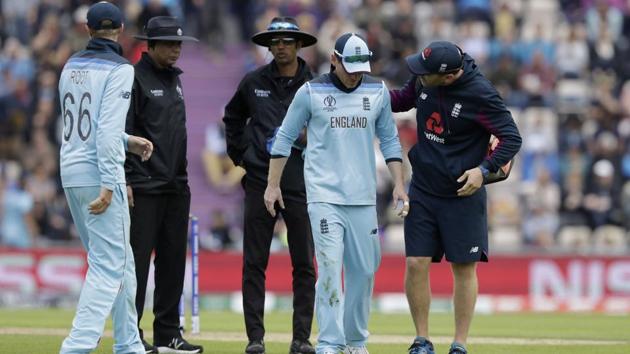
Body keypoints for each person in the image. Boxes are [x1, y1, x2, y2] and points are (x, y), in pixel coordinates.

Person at [265, 32, 409, 354]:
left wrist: (399, 184)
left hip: (363, 197)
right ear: (334, 59)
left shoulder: (377, 91)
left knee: (365, 270)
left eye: (362, 67)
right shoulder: (310, 93)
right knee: (329, 267)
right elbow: (284, 137)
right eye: (350, 66)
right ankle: (330, 343)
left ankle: (355, 341)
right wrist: (273, 185)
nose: (356, 73)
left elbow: (389, 140)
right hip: (324, 195)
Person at [389, 41, 522, 354]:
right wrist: (366, 96)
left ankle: (459, 344)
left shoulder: (481, 94)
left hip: (463, 191)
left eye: (425, 73)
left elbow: (511, 137)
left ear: (448, 77)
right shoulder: (426, 77)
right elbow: (401, 100)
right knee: (416, 263)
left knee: (463, 268)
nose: (417, 75)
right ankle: (421, 341)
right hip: (423, 187)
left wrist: (483, 169)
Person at [58, 2, 153, 353]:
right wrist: (112, 182)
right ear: (122, 30)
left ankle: (129, 344)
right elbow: (108, 131)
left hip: (71, 172)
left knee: (120, 262)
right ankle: (77, 346)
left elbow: (86, 129)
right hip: (100, 172)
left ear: (87, 29)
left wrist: (129, 142)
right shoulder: (120, 69)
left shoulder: (70, 65)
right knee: (108, 265)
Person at [223, 16, 318, 354]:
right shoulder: (252, 82)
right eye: (274, 41)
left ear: (299, 44)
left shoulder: (316, 85)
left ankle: (302, 339)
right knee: (254, 262)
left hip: (301, 181)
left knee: (304, 262)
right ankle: (255, 339)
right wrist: (242, 157)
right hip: (260, 179)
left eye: (287, 41)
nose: (280, 46)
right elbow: (231, 118)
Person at [125, 16, 203, 354]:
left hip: (176, 186)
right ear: (150, 45)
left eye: (179, 44)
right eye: (169, 44)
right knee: (138, 265)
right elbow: (123, 133)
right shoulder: (134, 79)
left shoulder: (175, 80)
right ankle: (132, 334)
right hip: (143, 187)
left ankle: (169, 333)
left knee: (172, 262)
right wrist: (127, 178)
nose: (176, 50)